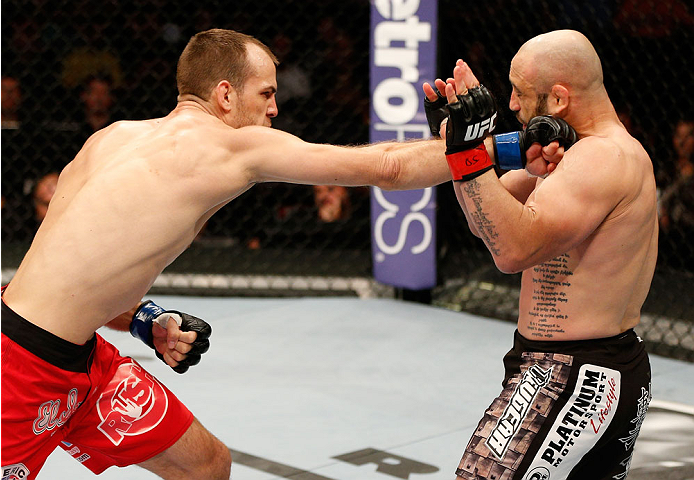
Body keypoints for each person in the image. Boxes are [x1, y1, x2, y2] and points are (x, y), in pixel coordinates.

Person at [1, 28, 455, 479]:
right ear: (225, 95)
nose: (275, 108)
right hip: (17, 369)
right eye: (266, 92)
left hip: (76, 356)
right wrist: (496, 148)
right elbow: (389, 166)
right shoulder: (232, 148)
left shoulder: (110, 138)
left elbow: (75, 281)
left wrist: (148, 322)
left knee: (206, 465)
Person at [424, 30, 656, 479]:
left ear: (559, 98)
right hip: (579, 366)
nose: (511, 104)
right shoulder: (572, 155)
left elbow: (512, 250)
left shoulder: (602, 157)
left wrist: (469, 151)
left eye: (521, 92)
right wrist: (453, 141)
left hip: (572, 372)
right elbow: (486, 220)